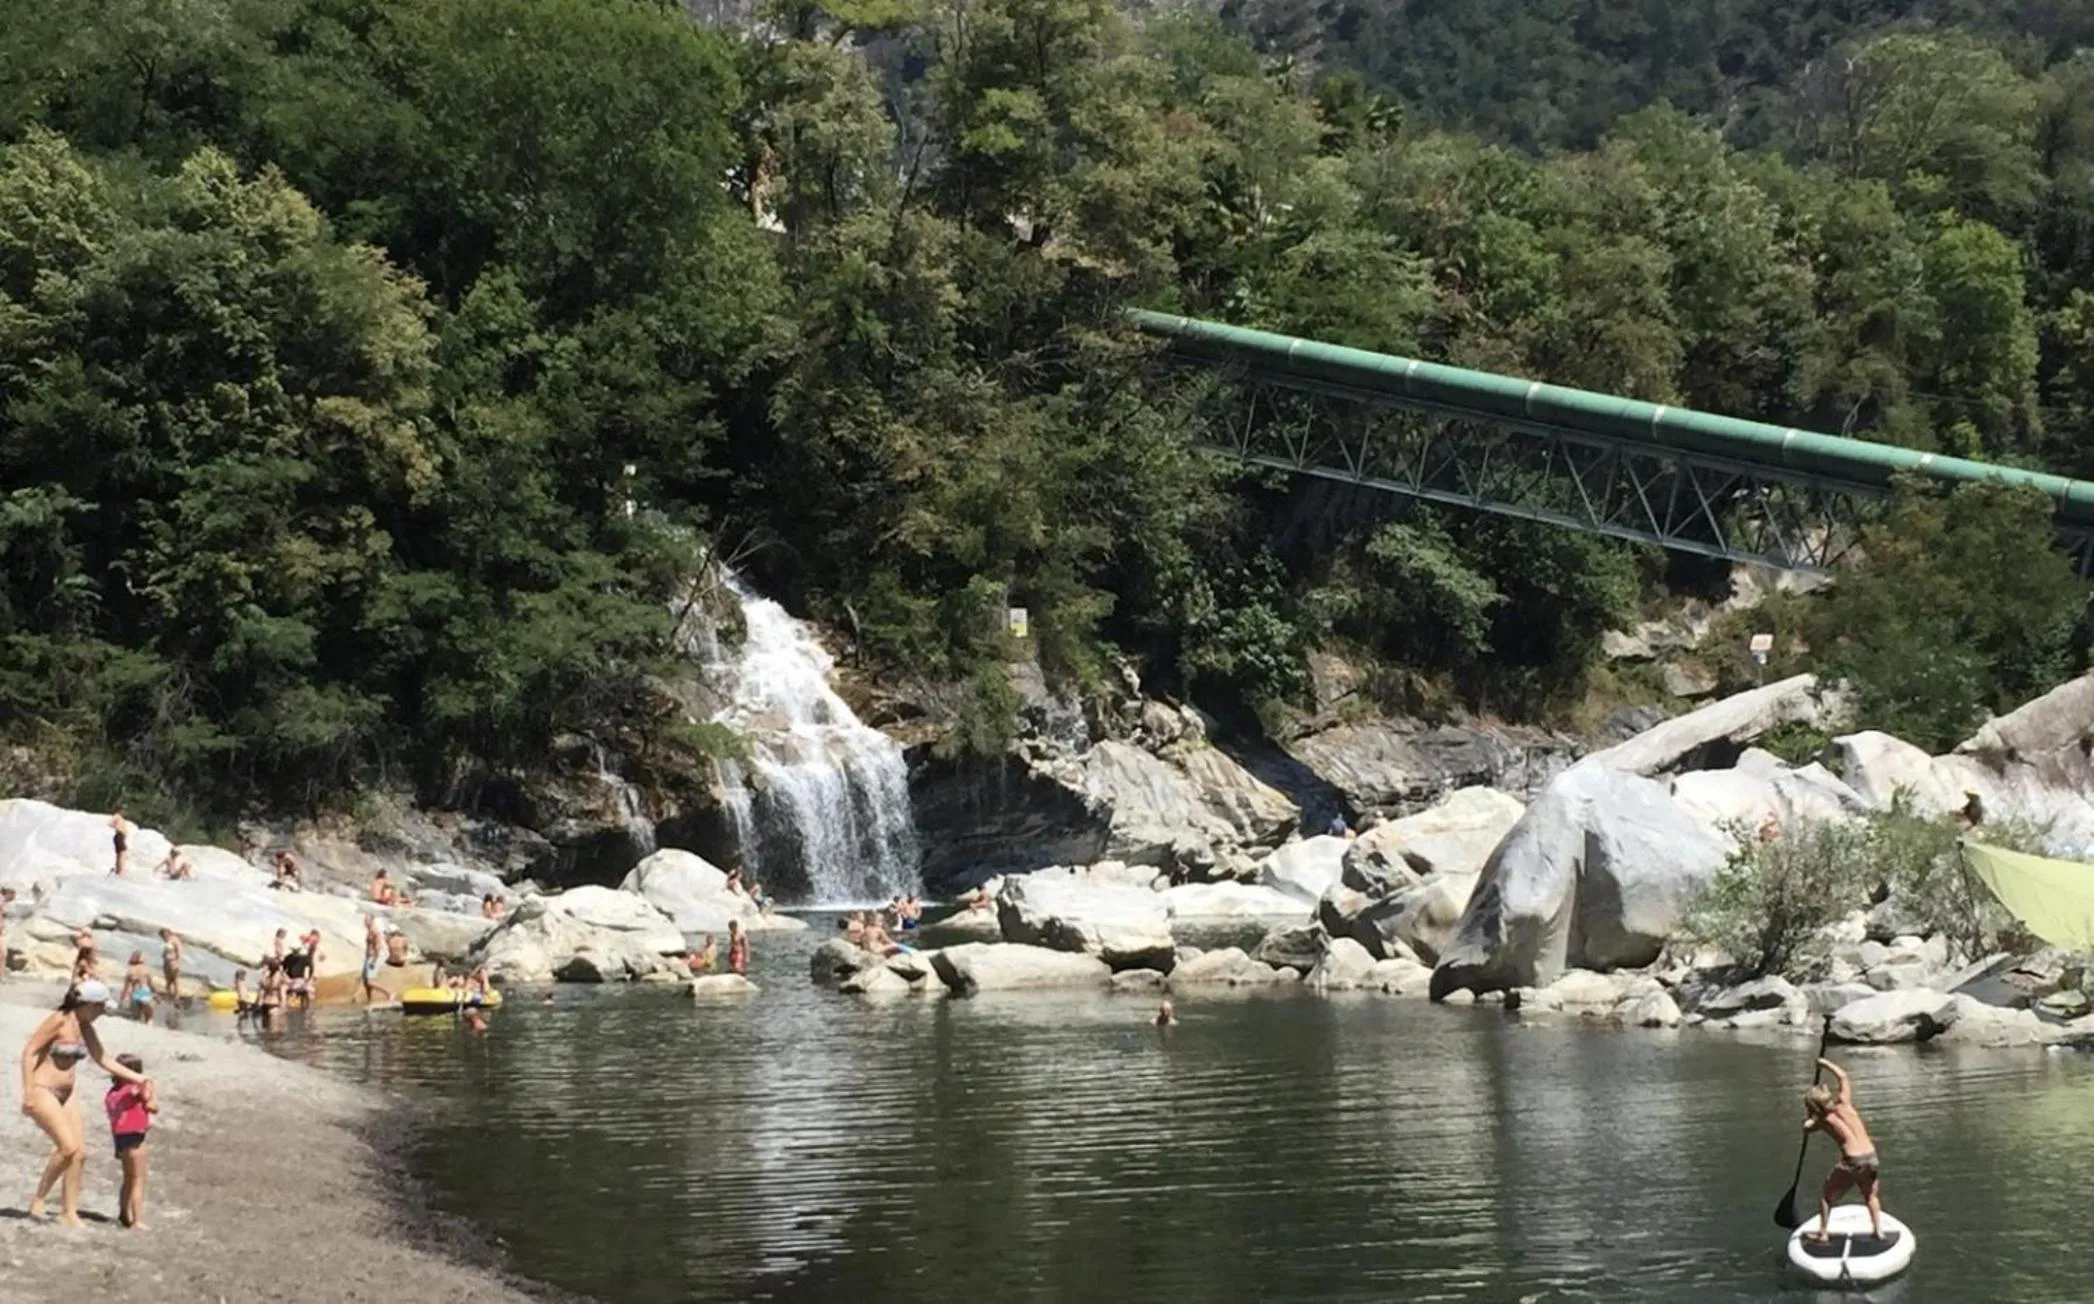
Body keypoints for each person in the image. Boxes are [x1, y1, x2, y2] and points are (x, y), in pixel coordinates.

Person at [20, 980, 149, 1226]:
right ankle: (38, 1199)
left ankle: (68, 1212)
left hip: (67, 1093)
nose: (101, 1013)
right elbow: (30, 1052)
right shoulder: (59, 1020)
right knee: (67, 1148)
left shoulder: (84, 1026)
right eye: (100, 1007)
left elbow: (103, 1058)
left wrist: (139, 1078)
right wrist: (27, 1091)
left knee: (79, 1154)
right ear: (88, 1004)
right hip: (42, 1089)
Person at [1804, 1057, 1885, 1243]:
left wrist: (1809, 1115)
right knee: (1870, 1195)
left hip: (1853, 1161)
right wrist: (1825, 1064)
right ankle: (1878, 1231)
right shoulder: (1845, 1103)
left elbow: (1806, 1128)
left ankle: (1823, 1233)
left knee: (1826, 1196)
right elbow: (1843, 1077)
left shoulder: (1822, 1121)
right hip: (1871, 1156)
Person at [104, 1052, 157, 1229]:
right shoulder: (133, 1090)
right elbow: (152, 1106)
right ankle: (137, 1220)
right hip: (135, 1136)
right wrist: (151, 1088)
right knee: (138, 1179)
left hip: (120, 1137)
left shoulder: (112, 1093)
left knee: (128, 1178)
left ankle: (123, 1213)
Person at [361, 914, 392, 1004]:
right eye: (365, 920)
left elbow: (378, 947)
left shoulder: (375, 931)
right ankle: (369, 1000)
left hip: (373, 957)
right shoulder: (369, 931)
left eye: (367, 920)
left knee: (370, 982)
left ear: (372, 920)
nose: (365, 922)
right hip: (368, 957)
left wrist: (374, 961)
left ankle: (389, 993)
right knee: (365, 982)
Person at [119, 952, 154, 1023]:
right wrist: (155, 994)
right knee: (149, 1018)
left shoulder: (130, 970)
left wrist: (121, 1000)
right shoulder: (147, 969)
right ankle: (148, 1024)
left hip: (135, 993)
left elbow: (125, 988)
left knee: (136, 1017)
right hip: (145, 992)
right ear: (142, 959)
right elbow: (150, 985)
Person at [282, 936, 315, 1007]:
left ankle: (283, 1004)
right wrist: (309, 978)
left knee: (282, 990)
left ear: (292, 949)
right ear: (299, 950)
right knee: (307, 992)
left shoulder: (288, 957)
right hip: (300, 980)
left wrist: (286, 978)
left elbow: (283, 969)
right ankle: (306, 1006)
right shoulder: (304, 958)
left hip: (290, 981)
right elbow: (311, 968)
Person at [159, 929, 183, 1006]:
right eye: (162, 936)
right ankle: (168, 996)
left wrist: (178, 963)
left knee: (175, 980)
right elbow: (166, 951)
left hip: (173, 962)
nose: (164, 937)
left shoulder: (175, 940)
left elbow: (180, 952)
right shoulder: (166, 941)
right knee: (168, 980)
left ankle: (177, 997)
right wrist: (163, 955)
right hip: (167, 963)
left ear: (168, 933)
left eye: (165, 935)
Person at [109, 807, 130, 877]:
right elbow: (110, 823)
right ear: (120, 810)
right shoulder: (117, 816)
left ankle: (118, 870)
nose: (124, 812)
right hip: (119, 835)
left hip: (121, 836)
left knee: (119, 854)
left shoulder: (120, 818)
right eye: (123, 810)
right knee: (122, 853)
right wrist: (118, 828)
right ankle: (119, 871)